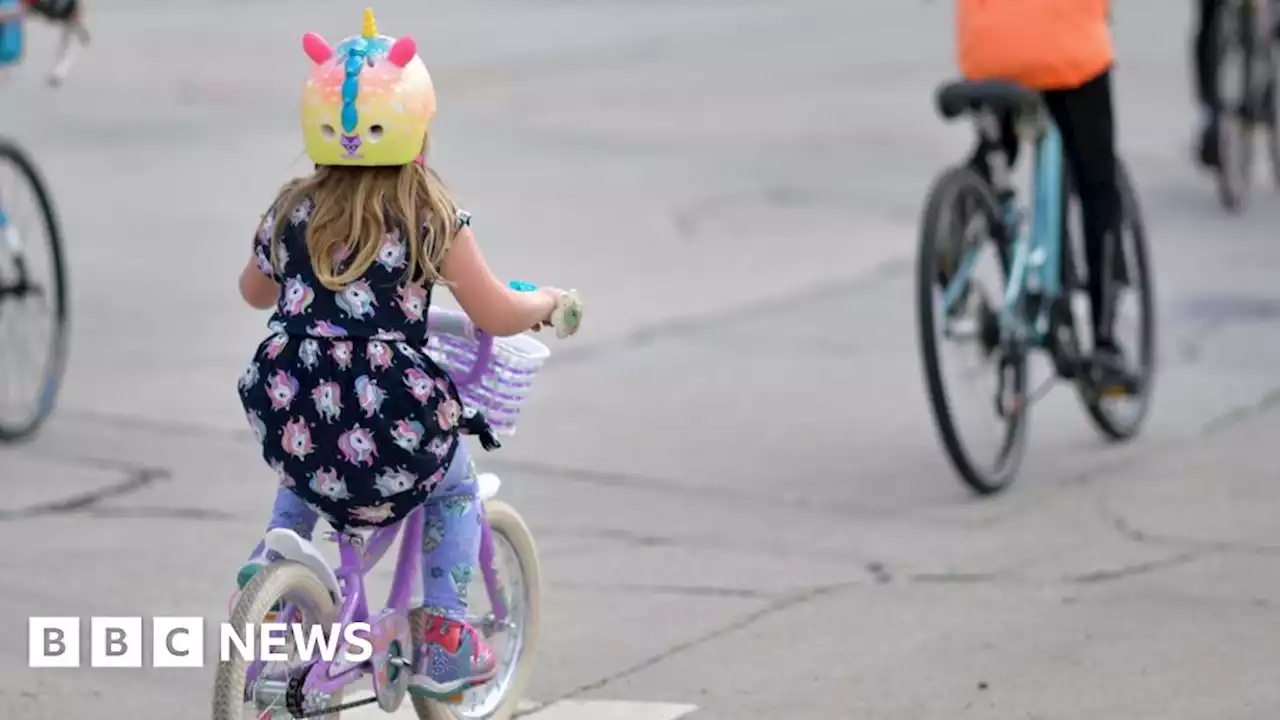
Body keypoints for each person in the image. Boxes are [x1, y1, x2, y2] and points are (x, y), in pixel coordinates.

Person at [234, 8, 570, 699]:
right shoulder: (428, 214)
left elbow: (253, 293)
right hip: (390, 415)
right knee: (451, 488)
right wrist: (543, 304)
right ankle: (445, 632)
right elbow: (493, 312)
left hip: (289, 398)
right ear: (417, 124)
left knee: (306, 454)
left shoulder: (291, 209)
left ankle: (272, 559)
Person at [956, 0, 1139, 394]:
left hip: (988, 45)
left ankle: (955, 221)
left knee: (998, 148)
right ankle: (1105, 343)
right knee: (1097, 185)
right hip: (1068, 45)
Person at [0, 0, 89, 85]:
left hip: (59, 14)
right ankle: (58, 74)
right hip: (44, 9)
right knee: (14, 14)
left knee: (69, 44)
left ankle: (58, 74)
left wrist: (80, 29)